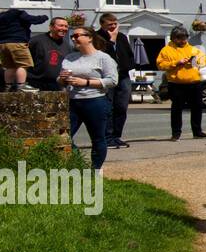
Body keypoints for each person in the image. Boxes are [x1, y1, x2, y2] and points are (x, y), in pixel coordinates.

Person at [59, 25, 119, 170]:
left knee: (97, 137)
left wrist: (85, 82)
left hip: (95, 101)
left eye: (77, 35)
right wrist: (62, 79)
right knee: (63, 136)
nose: (74, 38)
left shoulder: (103, 58)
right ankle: (79, 161)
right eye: (72, 36)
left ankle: (95, 170)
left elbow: (112, 81)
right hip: (73, 101)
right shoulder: (70, 57)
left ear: (89, 38)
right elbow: (60, 79)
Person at [156, 26, 206, 141]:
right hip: (176, 83)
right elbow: (160, 65)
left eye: (185, 37)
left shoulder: (193, 49)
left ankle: (197, 131)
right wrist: (176, 63)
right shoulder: (166, 50)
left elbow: (203, 61)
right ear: (173, 38)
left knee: (197, 108)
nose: (183, 40)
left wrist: (197, 62)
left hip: (194, 82)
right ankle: (176, 133)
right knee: (176, 109)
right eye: (179, 38)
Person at [92, 14, 136, 150]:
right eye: (109, 24)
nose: (113, 26)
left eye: (114, 23)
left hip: (122, 75)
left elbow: (129, 54)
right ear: (102, 24)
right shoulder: (97, 37)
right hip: (106, 77)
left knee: (122, 107)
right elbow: (102, 56)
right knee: (108, 107)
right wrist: (111, 40)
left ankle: (116, 136)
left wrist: (128, 66)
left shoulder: (122, 37)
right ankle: (107, 137)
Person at [0, 6, 46, 92]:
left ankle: (8, 87)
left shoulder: (1, 17)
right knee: (23, 65)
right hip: (17, 42)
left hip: (3, 44)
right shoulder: (18, 13)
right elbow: (33, 20)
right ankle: (21, 86)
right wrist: (44, 17)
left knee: (10, 67)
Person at [28, 16, 72, 91]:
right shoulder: (36, 41)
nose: (64, 28)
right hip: (35, 82)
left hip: (56, 84)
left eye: (66, 26)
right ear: (51, 27)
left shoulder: (67, 46)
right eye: (61, 25)